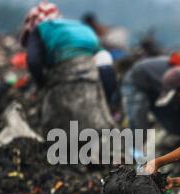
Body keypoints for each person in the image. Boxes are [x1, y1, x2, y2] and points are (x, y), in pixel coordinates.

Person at [20, 2, 115, 134]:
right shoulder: (81, 27)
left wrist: (41, 83)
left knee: (58, 123)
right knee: (92, 121)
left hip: (63, 77)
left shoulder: (39, 29)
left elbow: (33, 61)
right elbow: (103, 58)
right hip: (90, 76)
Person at [120, 56, 180, 141]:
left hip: (156, 85)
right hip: (136, 83)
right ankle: (135, 147)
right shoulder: (174, 78)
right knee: (138, 115)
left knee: (172, 121)